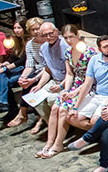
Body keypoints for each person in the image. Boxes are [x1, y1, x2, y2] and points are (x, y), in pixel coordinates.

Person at [37, 26, 97, 158]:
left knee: (63, 110)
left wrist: (74, 92)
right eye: (66, 38)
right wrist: (66, 90)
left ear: (77, 35)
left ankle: (58, 144)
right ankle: (49, 143)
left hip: (87, 88)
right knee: (55, 108)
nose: (69, 40)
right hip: (74, 86)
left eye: (71, 37)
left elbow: (90, 80)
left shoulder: (89, 53)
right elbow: (70, 74)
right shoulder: (68, 52)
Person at [26, 22, 70, 135]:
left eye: (51, 34)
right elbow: (47, 69)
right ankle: (51, 125)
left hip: (68, 81)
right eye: (45, 35)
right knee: (35, 97)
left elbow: (71, 72)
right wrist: (39, 85)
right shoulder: (44, 48)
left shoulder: (65, 45)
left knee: (52, 99)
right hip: (54, 80)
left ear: (56, 31)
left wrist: (61, 85)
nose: (48, 37)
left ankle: (64, 128)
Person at [6, 17, 46, 128]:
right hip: (37, 70)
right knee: (25, 82)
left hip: (47, 72)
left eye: (38, 29)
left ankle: (24, 114)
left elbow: (49, 66)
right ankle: (24, 113)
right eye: (33, 30)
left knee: (29, 84)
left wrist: (33, 79)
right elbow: (29, 64)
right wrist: (23, 77)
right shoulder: (30, 44)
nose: (36, 32)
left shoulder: (47, 43)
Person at [0, 17, 27, 115]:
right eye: (15, 28)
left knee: (3, 79)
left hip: (26, 68)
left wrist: (5, 68)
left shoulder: (29, 42)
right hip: (18, 67)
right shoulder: (17, 41)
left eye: (19, 28)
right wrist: (4, 64)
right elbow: (13, 57)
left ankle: (4, 104)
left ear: (24, 28)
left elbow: (23, 60)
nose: (16, 30)